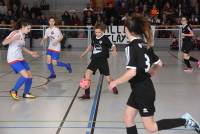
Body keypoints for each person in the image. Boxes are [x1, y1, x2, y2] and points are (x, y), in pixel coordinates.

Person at [109, 15, 200, 134]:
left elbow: (132, 72)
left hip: (143, 91)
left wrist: (115, 82)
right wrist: (153, 70)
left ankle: (185, 121)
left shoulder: (131, 47)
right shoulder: (145, 44)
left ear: (128, 30)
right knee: (128, 119)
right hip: (139, 89)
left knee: (150, 127)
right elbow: (160, 63)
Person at [79, 23, 118, 99]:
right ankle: (87, 95)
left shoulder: (105, 38)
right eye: (96, 32)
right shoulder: (94, 37)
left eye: (99, 32)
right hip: (94, 60)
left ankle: (113, 86)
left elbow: (113, 46)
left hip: (102, 61)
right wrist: (84, 53)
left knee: (108, 78)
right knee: (87, 75)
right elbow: (91, 46)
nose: (97, 33)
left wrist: (114, 51)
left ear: (103, 31)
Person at [2, 19, 39, 100]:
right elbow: (4, 42)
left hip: (20, 58)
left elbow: (21, 47)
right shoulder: (15, 33)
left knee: (30, 76)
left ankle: (26, 93)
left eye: (30, 29)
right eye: (28, 28)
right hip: (13, 58)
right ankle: (13, 91)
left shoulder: (23, 35)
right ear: (23, 27)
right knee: (25, 76)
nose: (29, 30)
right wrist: (14, 38)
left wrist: (30, 52)